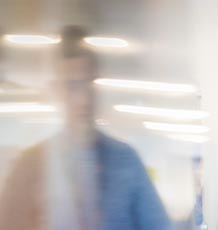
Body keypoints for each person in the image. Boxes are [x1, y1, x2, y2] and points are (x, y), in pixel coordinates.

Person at [0, 26, 170, 230]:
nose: (83, 99)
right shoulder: (29, 166)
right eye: (73, 86)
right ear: (57, 90)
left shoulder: (125, 161)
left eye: (88, 84)